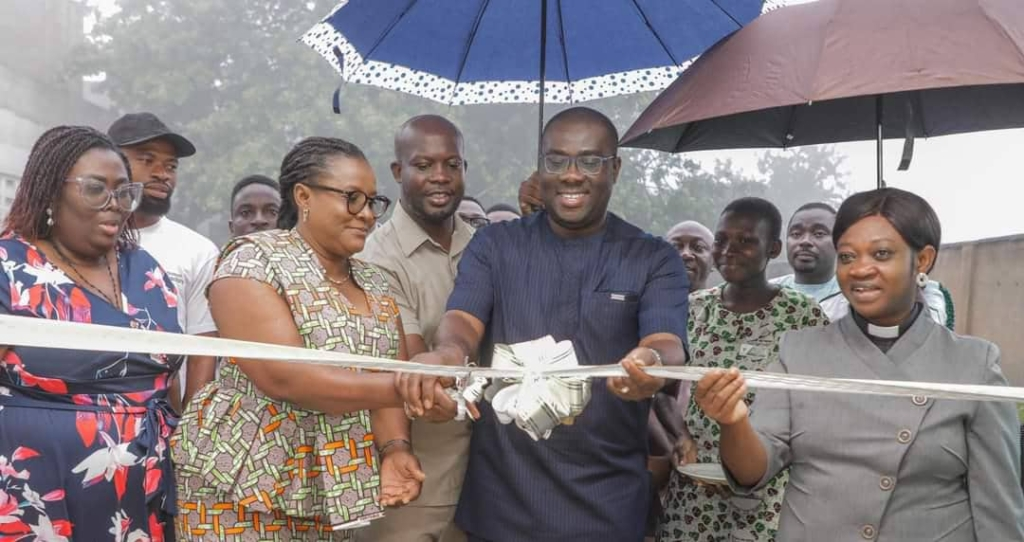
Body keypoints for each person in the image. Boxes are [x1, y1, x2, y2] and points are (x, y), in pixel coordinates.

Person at [397, 107, 690, 542]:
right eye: (556, 160)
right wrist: (447, 355)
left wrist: (649, 363)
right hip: (503, 502)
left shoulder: (653, 257)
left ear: (615, 169)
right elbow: (462, 321)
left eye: (590, 161)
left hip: (606, 505)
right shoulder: (496, 244)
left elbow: (667, 342)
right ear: (540, 168)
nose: (571, 174)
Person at [694, 188, 1024, 541]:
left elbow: (998, 509)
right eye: (848, 256)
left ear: (923, 260)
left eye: (881, 254)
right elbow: (750, 473)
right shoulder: (798, 351)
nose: (861, 269)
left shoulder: (973, 364)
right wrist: (733, 422)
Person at [173, 137, 425, 540]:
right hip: (240, 483)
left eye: (373, 202)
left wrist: (395, 447)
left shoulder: (376, 282)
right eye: (352, 199)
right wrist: (410, 387)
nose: (366, 215)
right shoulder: (252, 260)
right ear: (304, 196)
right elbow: (286, 377)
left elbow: (385, 374)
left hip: (334, 485)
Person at [0, 126, 182, 539]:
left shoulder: (145, 269)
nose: (115, 205)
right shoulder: (10, 269)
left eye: (124, 192)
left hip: (141, 487)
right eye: (96, 189)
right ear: (51, 192)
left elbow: (167, 376)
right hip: (39, 489)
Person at [656, 198, 826, 542]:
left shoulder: (803, 316)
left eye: (746, 241)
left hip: (768, 494)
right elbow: (662, 389)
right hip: (693, 489)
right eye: (721, 240)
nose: (728, 250)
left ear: (773, 248)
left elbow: (820, 406)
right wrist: (679, 435)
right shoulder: (693, 310)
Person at [357, 115, 475, 542]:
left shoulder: (486, 247)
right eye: (423, 165)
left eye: (452, 165)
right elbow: (407, 366)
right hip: (413, 481)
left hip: (487, 483)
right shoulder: (374, 258)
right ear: (397, 171)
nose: (440, 176)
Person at [108, 112, 219, 408]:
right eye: (147, 160)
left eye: (171, 166)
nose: (163, 174)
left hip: (158, 416)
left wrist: (188, 426)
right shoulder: (78, 240)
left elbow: (202, 348)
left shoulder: (198, 251)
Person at [647, 219, 716, 535]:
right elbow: (653, 393)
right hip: (653, 459)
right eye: (676, 246)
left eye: (698, 247)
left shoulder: (725, 318)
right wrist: (669, 448)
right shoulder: (644, 311)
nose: (686, 254)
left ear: (714, 260)